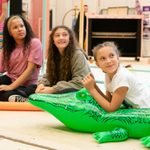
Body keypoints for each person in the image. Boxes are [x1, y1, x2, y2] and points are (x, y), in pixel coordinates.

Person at [81, 41, 150, 112]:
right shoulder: (108, 74)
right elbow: (109, 101)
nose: (108, 61)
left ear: (118, 57)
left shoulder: (122, 77)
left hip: (146, 110)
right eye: (103, 58)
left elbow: (111, 108)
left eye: (111, 56)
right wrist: (94, 86)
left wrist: (91, 90)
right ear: (98, 64)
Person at [35, 25, 90, 94]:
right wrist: (41, 85)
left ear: (70, 39)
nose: (61, 38)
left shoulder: (78, 55)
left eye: (64, 35)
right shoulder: (53, 55)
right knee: (31, 88)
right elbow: (48, 75)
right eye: (57, 35)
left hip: (77, 92)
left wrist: (53, 89)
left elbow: (80, 82)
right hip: (60, 90)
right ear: (53, 40)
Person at [0, 15, 43, 101]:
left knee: (7, 94)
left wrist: (11, 87)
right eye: (15, 27)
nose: (20, 29)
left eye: (22, 26)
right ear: (10, 33)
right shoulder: (7, 48)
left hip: (27, 84)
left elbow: (30, 71)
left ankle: (19, 97)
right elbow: (1, 68)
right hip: (10, 79)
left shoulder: (35, 43)